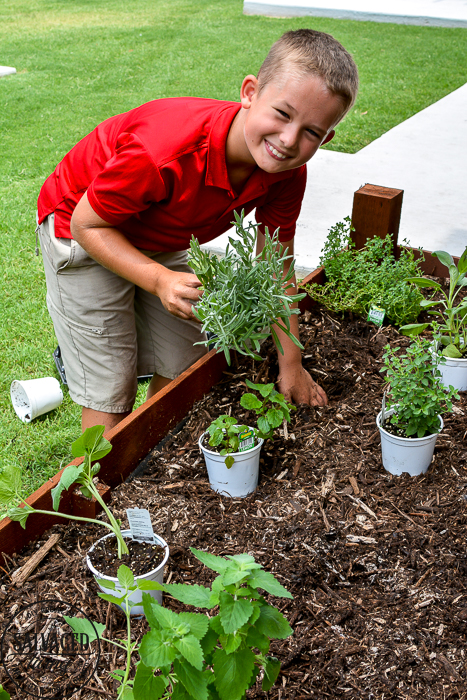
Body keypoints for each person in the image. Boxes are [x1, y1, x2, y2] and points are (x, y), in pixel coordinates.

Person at [37, 28, 358, 433]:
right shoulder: (164, 150)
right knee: (112, 384)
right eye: (282, 113)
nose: (289, 140)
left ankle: (143, 447)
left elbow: (276, 265)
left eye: (312, 132)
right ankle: (88, 485)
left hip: (157, 231)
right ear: (249, 92)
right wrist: (158, 279)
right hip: (82, 230)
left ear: (326, 137)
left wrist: (290, 363)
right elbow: (88, 223)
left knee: (186, 358)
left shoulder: (288, 174)